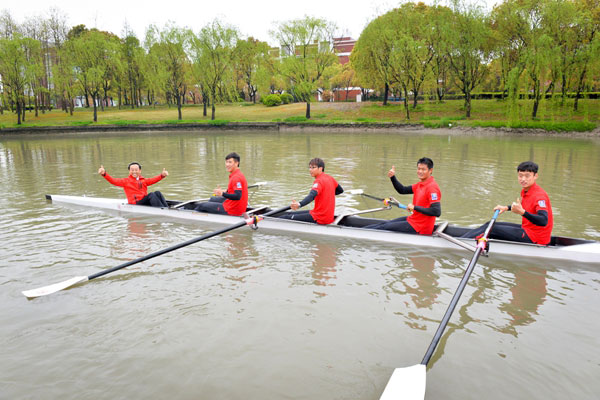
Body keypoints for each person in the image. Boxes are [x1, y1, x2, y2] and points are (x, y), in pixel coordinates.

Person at [461, 161, 553, 245]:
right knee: (490, 224)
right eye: (520, 175)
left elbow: (543, 221)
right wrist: (506, 208)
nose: (523, 179)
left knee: (492, 229)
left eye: (527, 176)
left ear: (535, 176)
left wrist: (522, 212)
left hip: (536, 238)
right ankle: (462, 240)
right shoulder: (528, 190)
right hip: (528, 229)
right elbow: (524, 207)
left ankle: (460, 243)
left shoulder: (540, 196)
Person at [365, 157, 441, 235]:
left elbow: (436, 211)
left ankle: (361, 233)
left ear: (430, 170)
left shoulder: (432, 188)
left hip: (420, 227)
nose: (420, 171)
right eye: (418, 169)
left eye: (423, 169)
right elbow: (402, 190)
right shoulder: (420, 185)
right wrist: (392, 177)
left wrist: (414, 207)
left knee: (384, 227)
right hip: (413, 220)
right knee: (384, 224)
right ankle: (360, 231)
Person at [278, 158, 344, 224]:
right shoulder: (330, 178)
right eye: (310, 167)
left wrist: (299, 204)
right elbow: (340, 190)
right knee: (289, 214)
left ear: (320, 168)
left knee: (285, 218)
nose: (310, 170)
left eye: (313, 167)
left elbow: (311, 196)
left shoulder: (319, 181)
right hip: (326, 216)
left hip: (320, 217)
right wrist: (326, 194)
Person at [98, 162, 169, 207]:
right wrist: (104, 174)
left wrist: (162, 175)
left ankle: (166, 208)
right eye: (132, 170)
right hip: (135, 204)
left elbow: (153, 180)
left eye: (136, 170)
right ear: (129, 171)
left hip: (144, 202)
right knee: (151, 195)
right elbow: (113, 181)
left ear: (140, 171)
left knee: (157, 193)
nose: (134, 172)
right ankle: (163, 210)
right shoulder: (125, 181)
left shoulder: (143, 180)